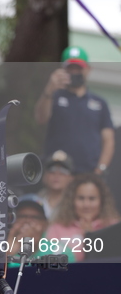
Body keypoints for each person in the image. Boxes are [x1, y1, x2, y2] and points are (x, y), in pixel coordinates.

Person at [34, 46, 115, 174]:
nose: (74, 72)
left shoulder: (100, 103)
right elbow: (41, 118)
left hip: (88, 172)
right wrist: (50, 89)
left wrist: (100, 169)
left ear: (88, 70)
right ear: (62, 70)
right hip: (56, 170)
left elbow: (108, 139)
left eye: (78, 68)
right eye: (70, 68)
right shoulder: (54, 96)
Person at [46, 174, 120, 262]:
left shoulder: (114, 226)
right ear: (72, 200)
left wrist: (91, 236)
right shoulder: (57, 228)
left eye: (92, 199)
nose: (86, 205)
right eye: (81, 198)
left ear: (102, 201)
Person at [36, 150, 74, 219]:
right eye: (52, 171)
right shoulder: (35, 200)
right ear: (45, 176)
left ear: (70, 178)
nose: (56, 175)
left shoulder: (75, 203)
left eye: (63, 172)